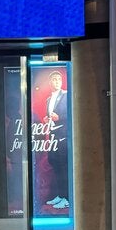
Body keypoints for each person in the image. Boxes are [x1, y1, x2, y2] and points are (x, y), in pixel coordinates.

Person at [42, 70, 70, 210]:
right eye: (54, 79)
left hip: (64, 137)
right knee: (55, 165)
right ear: (50, 82)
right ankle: (60, 195)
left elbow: (71, 113)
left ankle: (67, 198)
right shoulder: (48, 99)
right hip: (53, 137)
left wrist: (59, 118)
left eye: (59, 79)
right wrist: (47, 119)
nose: (57, 81)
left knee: (64, 167)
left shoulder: (66, 95)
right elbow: (51, 117)